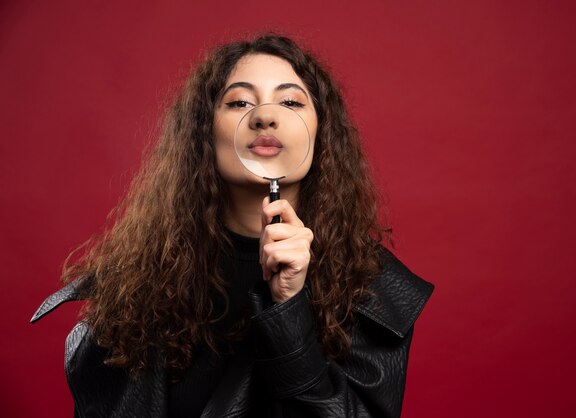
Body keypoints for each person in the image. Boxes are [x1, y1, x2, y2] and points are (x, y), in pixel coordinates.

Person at [31, 34, 434, 418]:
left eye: (291, 102)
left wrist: (290, 309)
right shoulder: (134, 288)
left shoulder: (370, 288)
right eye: (239, 103)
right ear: (205, 132)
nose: (264, 118)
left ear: (321, 134)